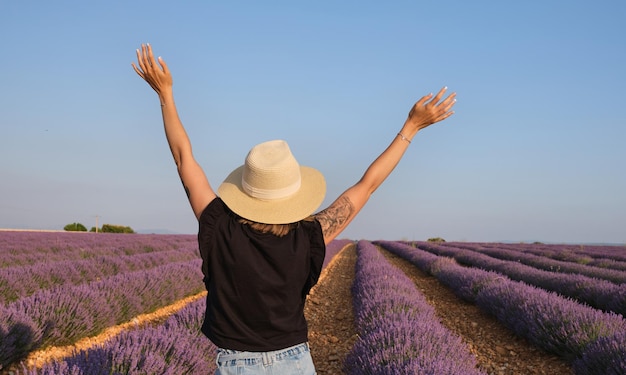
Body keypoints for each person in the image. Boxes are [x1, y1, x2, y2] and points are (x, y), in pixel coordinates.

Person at [132, 43, 456, 375]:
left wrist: (165, 94)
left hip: (235, 366)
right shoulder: (309, 236)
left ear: (246, 188)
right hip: (295, 363)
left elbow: (183, 158)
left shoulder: (218, 226)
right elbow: (366, 186)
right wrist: (411, 127)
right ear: (294, 193)